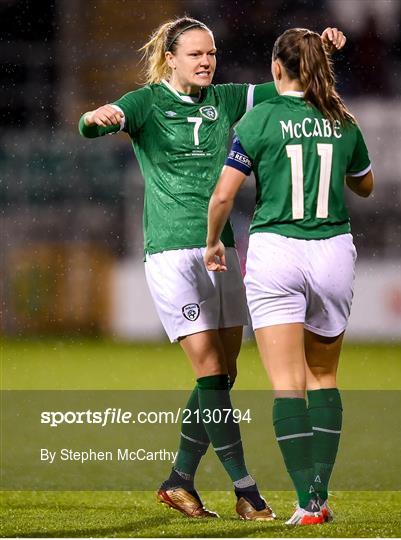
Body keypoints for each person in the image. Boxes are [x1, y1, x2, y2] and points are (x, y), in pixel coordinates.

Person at [78, 17, 346, 520]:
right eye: (196, 54)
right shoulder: (146, 103)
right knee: (210, 371)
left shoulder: (225, 99)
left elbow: (290, 84)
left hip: (220, 249)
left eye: (213, 54)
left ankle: (180, 479)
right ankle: (247, 492)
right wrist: (99, 116)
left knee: (225, 373)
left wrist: (321, 50)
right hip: (171, 254)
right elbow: (87, 126)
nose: (206, 62)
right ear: (171, 58)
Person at [205, 27, 373, 525]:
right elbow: (365, 185)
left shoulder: (258, 118)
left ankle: (308, 502)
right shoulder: (343, 120)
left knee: (287, 385)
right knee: (324, 375)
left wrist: (215, 241)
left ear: (276, 68)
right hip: (333, 250)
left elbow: (223, 196)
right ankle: (319, 493)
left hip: (277, 250)